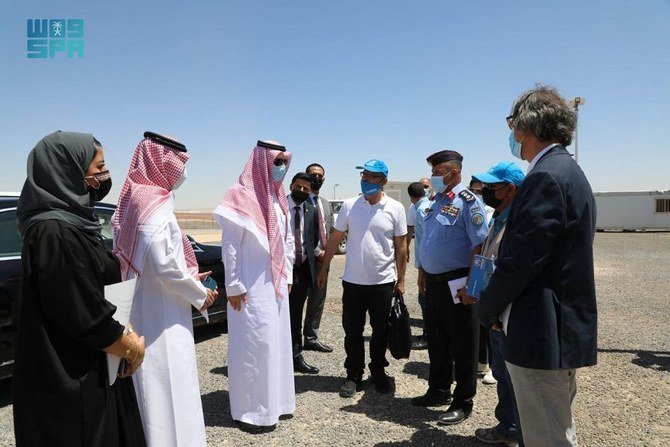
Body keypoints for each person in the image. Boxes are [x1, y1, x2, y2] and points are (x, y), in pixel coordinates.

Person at [480, 86, 598, 447]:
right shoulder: (565, 170)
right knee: (554, 428)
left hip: (541, 331)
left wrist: (487, 306)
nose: (512, 132)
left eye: (513, 122)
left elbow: (522, 260)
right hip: (555, 328)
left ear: (526, 126)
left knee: (547, 436)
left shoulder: (545, 176)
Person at [13, 131, 146, 446]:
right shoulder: (53, 232)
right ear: (68, 170)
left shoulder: (74, 224)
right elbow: (80, 312)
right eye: (98, 167)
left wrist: (121, 333)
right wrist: (131, 348)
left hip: (98, 368)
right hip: (71, 383)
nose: (104, 175)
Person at [111, 132, 216, 447]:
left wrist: (190, 279)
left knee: (158, 385)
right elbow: (161, 264)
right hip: (162, 315)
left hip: (148, 305)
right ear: (162, 161)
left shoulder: (136, 197)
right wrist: (199, 293)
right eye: (179, 162)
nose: (183, 172)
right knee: (166, 381)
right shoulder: (151, 201)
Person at [213, 140, 295, 434]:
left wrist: (287, 277)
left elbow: (287, 241)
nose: (281, 168)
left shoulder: (277, 196)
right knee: (253, 348)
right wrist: (233, 285)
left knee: (275, 346)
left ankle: (276, 404)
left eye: (284, 162)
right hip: (249, 288)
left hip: (274, 287)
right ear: (261, 161)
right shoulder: (240, 195)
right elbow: (230, 247)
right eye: (276, 162)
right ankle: (251, 412)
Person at [316, 159, 407, 398]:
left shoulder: (395, 208)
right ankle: (353, 375)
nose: (366, 180)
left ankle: (378, 371)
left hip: (383, 283)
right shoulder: (349, 206)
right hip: (353, 283)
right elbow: (335, 239)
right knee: (353, 331)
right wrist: (324, 269)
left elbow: (401, 247)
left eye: (372, 177)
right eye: (364, 176)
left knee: (380, 332)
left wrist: (402, 280)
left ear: (384, 181)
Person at [412, 150, 488, 426]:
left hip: (459, 283)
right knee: (438, 339)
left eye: (437, 171)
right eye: (432, 171)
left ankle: (463, 401)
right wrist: (422, 271)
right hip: (432, 282)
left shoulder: (469, 203)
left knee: (464, 343)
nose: (433, 176)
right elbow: (427, 240)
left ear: (454, 173)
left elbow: (480, 247)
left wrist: (473, 285)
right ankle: (439, 390)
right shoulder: (434, 201)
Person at [463, 162, 526, 447]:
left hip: (507, 315)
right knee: (501, 374)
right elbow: (486, 260)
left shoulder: (518, 222)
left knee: (513, 378)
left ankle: (517, 431)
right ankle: (508, 426)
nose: (484, 190)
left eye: (491, 186)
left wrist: (496, 309)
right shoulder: (499, 218)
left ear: (510, 189)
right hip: (494, 310)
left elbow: (513, 273)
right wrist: (475, 290)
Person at [287, 172, 320, 374]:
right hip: (281, 270)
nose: (301, 190)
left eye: (306, 189)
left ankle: (295, 356)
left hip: (302, 271)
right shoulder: (278, 207)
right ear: (291, 186)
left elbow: (313, 238)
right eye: (298, 186)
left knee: (295, 315)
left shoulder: (310, 209)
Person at [303, 163, 334, 353]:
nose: (317, 178)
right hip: (304, 261)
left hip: (323, 262)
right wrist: (317, 252)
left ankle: (311, 337)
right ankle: (292, 342)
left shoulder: (326, 204)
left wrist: (327, 254)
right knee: (297, 302)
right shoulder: (299, 201)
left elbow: (329, 232)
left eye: (320, 175)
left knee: (317, 300)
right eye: (313, 174)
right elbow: (299, 233)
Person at [406, 182, 431, 350]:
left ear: (411, 196)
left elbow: (428, 240)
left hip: (427, 264)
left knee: (425, 300)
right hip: (428, 262)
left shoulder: (421, 210)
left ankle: (428, 336)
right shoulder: (430, 205)